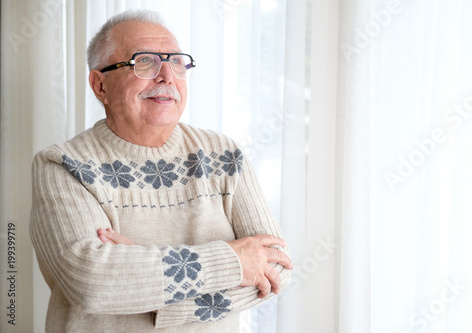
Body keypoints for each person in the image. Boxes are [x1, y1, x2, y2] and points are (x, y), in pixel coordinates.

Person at [29, 9, 293, 333]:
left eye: (178, 62)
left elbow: (275, 267)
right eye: (145, 62)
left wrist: (148, 285)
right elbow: (93, 283)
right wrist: (234, 261)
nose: (168, 76)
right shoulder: (61, 164)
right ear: (100, 86)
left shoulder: (225, 155)